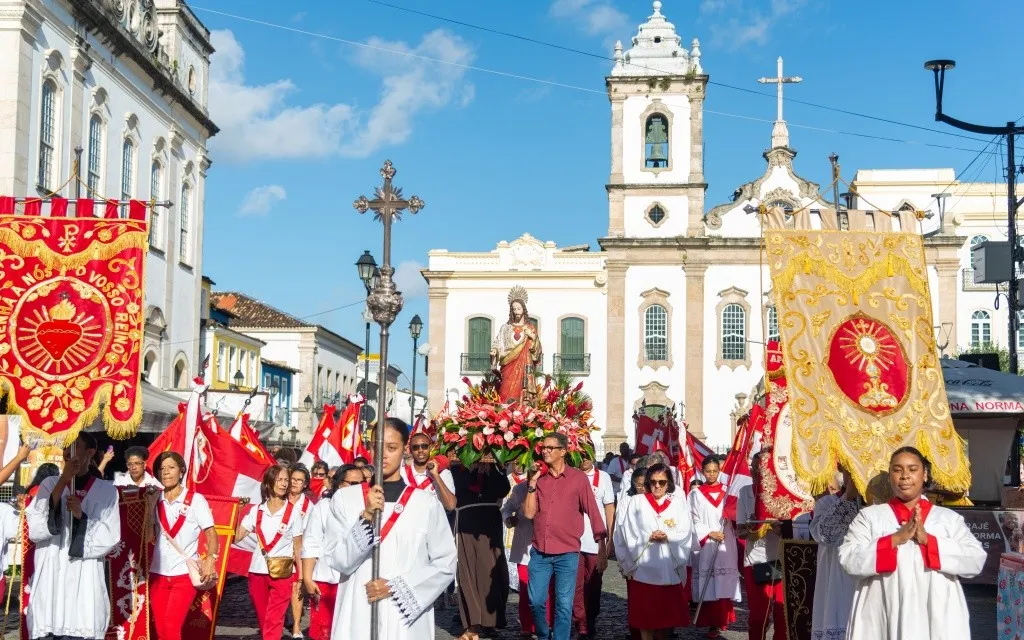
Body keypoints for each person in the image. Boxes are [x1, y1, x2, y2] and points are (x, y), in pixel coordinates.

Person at [325, 417, 457, 639]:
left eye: (392, 448)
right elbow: (337, 560)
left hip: (404, 614)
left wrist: (397, 587)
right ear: (369, 448)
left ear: (405, 449)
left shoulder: (425, 503)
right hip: (358, 609)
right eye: (378, 447)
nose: (384, 454)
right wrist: (366, 517)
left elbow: (445, 562)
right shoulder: (345, 499)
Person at [838, 446, 985, 640]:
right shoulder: (869, 517)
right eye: (897, 470)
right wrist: (895, 539)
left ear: (925, 475)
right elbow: (848, 559)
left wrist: (928, 541)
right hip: (881, 611)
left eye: (913, 469)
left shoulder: (947, 519)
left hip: (936, 614)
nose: (905, 476)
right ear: (890, 476)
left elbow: (975, 560)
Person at [26, 432, 121, 640]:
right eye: (66, 447)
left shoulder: (107, 491)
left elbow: (109, 536)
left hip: (83, 571)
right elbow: (37, 524)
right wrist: (64, 480)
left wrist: (81, 516)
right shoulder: (49, 483)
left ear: (90, 452)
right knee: (49, 623)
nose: (69, 453)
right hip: (52, 565)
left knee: (80, 622)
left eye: (75, 446)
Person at [523, 433, 607, 640]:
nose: (545, 451)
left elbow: (593, 511)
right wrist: (532, 483)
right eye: (544, 447)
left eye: (551, 448)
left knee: (563, 604)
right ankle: (544, 635)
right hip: (540, 552)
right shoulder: (538, 478)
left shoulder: (578, 478)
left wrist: (602, 546)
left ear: (563, 451)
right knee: (536, 601)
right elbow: (528, 513)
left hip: (568, 553)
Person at [619, 464, 694, 640]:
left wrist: (668, 534)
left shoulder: (678, 503)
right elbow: (629, 529)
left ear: (668, 483)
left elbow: (685, 530)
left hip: (668, 567)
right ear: (647, 483)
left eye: (662, 482)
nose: (657, 486)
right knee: (645, 617)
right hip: (644, 569)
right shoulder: (636, 502)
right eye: (653, 482)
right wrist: (648, 536)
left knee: (666, 616)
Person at [149, 451, 218, 640]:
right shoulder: (155, 499)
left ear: (181, 471)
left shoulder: (196, 500)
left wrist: (211, 560)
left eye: (171, 467)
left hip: (183, 575)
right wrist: (148, 507)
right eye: (162, 469)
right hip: (157, 573)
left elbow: (211, 533)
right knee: (161, 630)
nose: (166, 472)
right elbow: (148, 535)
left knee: (171, 626)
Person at [236, 465, 304, 640]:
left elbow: (298, 546)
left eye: (286, 480)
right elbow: (236, 537)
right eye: (279, 479)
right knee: (263, 617)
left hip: (283, 572)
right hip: (257, 571)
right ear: (269, 482)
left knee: (274, 618)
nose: (283, 484)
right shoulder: (256, 510)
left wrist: (301, 577)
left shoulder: (293, 512)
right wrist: (234, 512)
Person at [451, 451, 512, 639]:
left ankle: (490, 620)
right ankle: (471, 622)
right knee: (467, 572)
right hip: (466, 522)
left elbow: (503, 489)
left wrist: (490, 471)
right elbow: (457, 491)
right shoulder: (457, 469)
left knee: (491, 571)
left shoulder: (494, 468)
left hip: (489, 525)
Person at [302, 465, 363, 640]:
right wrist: (307, 578)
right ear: (338, 483)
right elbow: (311, 542)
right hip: (328, 581)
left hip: (356, 581)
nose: (357, 489)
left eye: (361, 484)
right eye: (352, 483)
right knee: (324, 632)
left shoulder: (370, 509)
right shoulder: (323, 507)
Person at [688, 456, 740, 639]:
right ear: (702, 472)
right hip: (708, 542)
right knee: (709, 579)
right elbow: (692, 519)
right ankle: (711, 621)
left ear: (719, 471)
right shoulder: (695, 494)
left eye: (715, 471)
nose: (711, 474)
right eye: (708, 471)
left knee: (725, 579)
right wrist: (709, 533)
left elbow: (737, 515)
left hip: (726, 541)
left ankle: (723, 618)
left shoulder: (729, 492)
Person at [736, 452, 784, 640]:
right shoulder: (745, 492)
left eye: (762, 469)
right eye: (755, 469)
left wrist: (778, 527)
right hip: (755, 561)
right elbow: (739, 530)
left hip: (780, 559)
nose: (758, 473)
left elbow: (791, 528)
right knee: (758, 616)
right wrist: (754, 528)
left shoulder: (781, 493)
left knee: (782, 616)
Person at [502, 471, 553, 640]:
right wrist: (509, 519)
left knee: (546, 589)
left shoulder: (551, 486)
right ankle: (526, 625)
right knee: (525, 589)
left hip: (546, 546)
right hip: (524, 546)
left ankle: (546, 623)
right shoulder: (519, 489)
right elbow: (506, 509)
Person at [809, 467, 859, 640]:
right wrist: (848, 499)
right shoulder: (827, 503)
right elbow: (823, 535)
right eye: (850, 472)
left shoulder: (882, 505)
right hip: (837, 579)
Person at [574, 451, 616, 639]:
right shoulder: (572, 475)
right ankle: (579, 623)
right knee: (576, 585)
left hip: (594, 541)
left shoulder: (604, 477)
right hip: (573, 541)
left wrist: (610, 539)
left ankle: (590, 619)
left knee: (593, 584)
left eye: (587, 456)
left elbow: (609, 508)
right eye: (581, 456)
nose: (584, 460)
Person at [490, 286, 543, 403]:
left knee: (522, 392)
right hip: (508, 364)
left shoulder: (530, 328)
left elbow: (538, 350)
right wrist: (495, 351)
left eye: (518, 308)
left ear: (523, 309)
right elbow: (498, 342)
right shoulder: (506, 328)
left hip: (524, 366)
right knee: (505, 391)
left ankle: (522, 410)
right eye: (514, 309)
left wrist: (533, 336)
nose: (516, 311)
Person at [286, 464, 313, 640]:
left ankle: (296, 625)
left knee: (297, 587)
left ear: (305, 484)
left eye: (299, 480)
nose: (295, 483)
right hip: (277, 551)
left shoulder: (309, 506)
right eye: (293, 479)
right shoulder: (278, 499)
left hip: (299, 551)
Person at [405, 431, 457, 511]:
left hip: (434, 522)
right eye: (415, 447)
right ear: (410, 450)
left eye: (424, 446)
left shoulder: (444, 473)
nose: (420, 450)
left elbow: (451, 506)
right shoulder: (402, 473)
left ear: (430, 447)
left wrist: (436, 475)